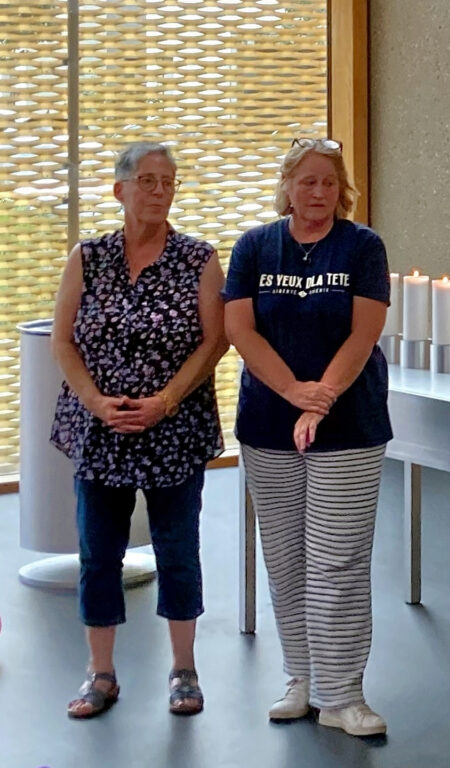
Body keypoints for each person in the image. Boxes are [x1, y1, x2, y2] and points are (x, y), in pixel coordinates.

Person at [51, 141, 227, 718]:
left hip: (172, 428)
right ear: (120, 189)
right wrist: (98, 403)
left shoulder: (198, 259)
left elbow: (215, 339)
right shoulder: (88, 256)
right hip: (101, 428)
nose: (158, 191)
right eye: (147, 180)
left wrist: (167, 400)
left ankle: (184, 670)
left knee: (178, 550)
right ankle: (100, 674)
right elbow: (63, 340)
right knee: (97, 554)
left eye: (168, 182)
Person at [223, 138, 392, 736]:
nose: (317, 193)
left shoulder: (363, 247)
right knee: (287, 557)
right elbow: (239, 328)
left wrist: (321, 399)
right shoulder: (253, 246)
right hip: (269, 423)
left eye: (328, 183)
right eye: (307, 182)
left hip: (349, 425)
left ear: (340, 189)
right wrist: (294, 392)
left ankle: (342, 695)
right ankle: (301, 678)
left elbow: (363, 334)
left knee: (337, 560)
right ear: (288, 186)